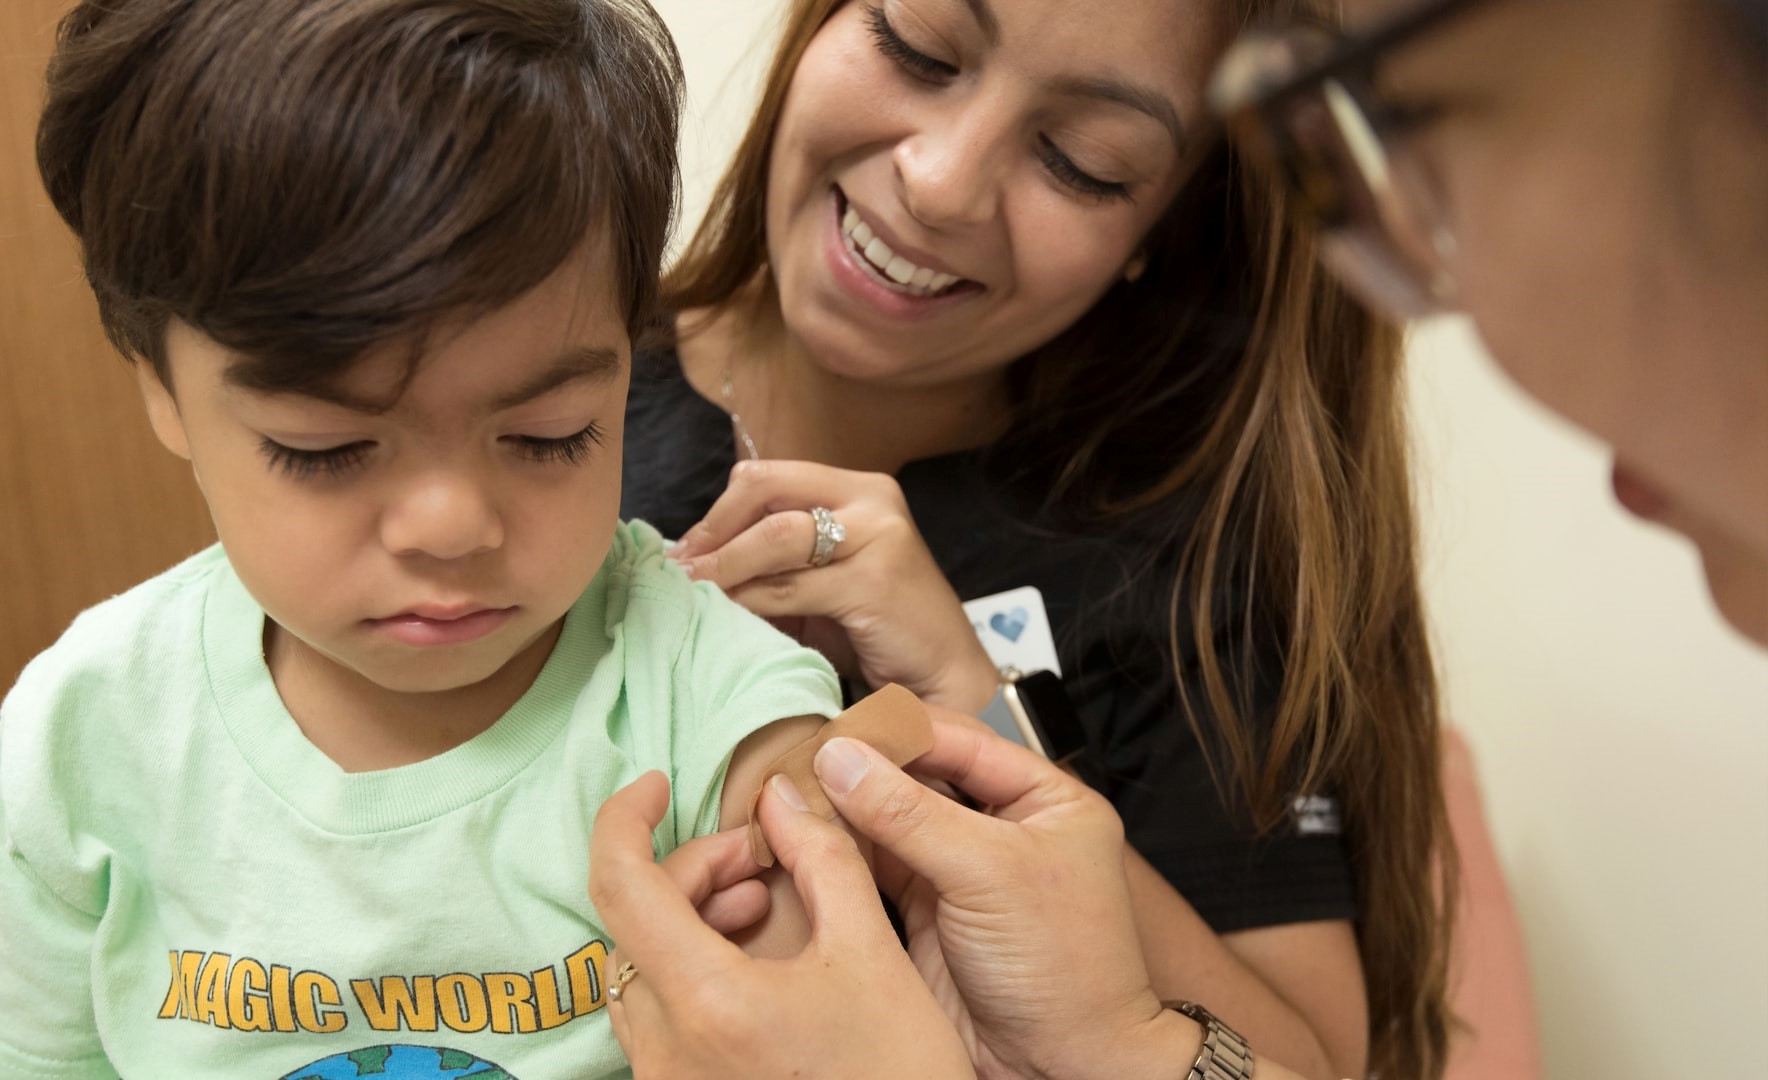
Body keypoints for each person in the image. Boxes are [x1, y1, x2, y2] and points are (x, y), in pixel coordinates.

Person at [589, 0, 1768, 1076]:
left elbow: (1302, 1058)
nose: (940, 182)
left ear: (1166, 224)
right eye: (918, 46)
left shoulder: (1189, 570)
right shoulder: (543, 390)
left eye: (1082, 163)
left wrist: (976, 701)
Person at [0, 2, 848, 1077]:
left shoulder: (701, 695)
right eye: (327, 450)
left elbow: (820, 953)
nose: (453, 526)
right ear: (162, 391)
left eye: (550, 437)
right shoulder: (89, 730)